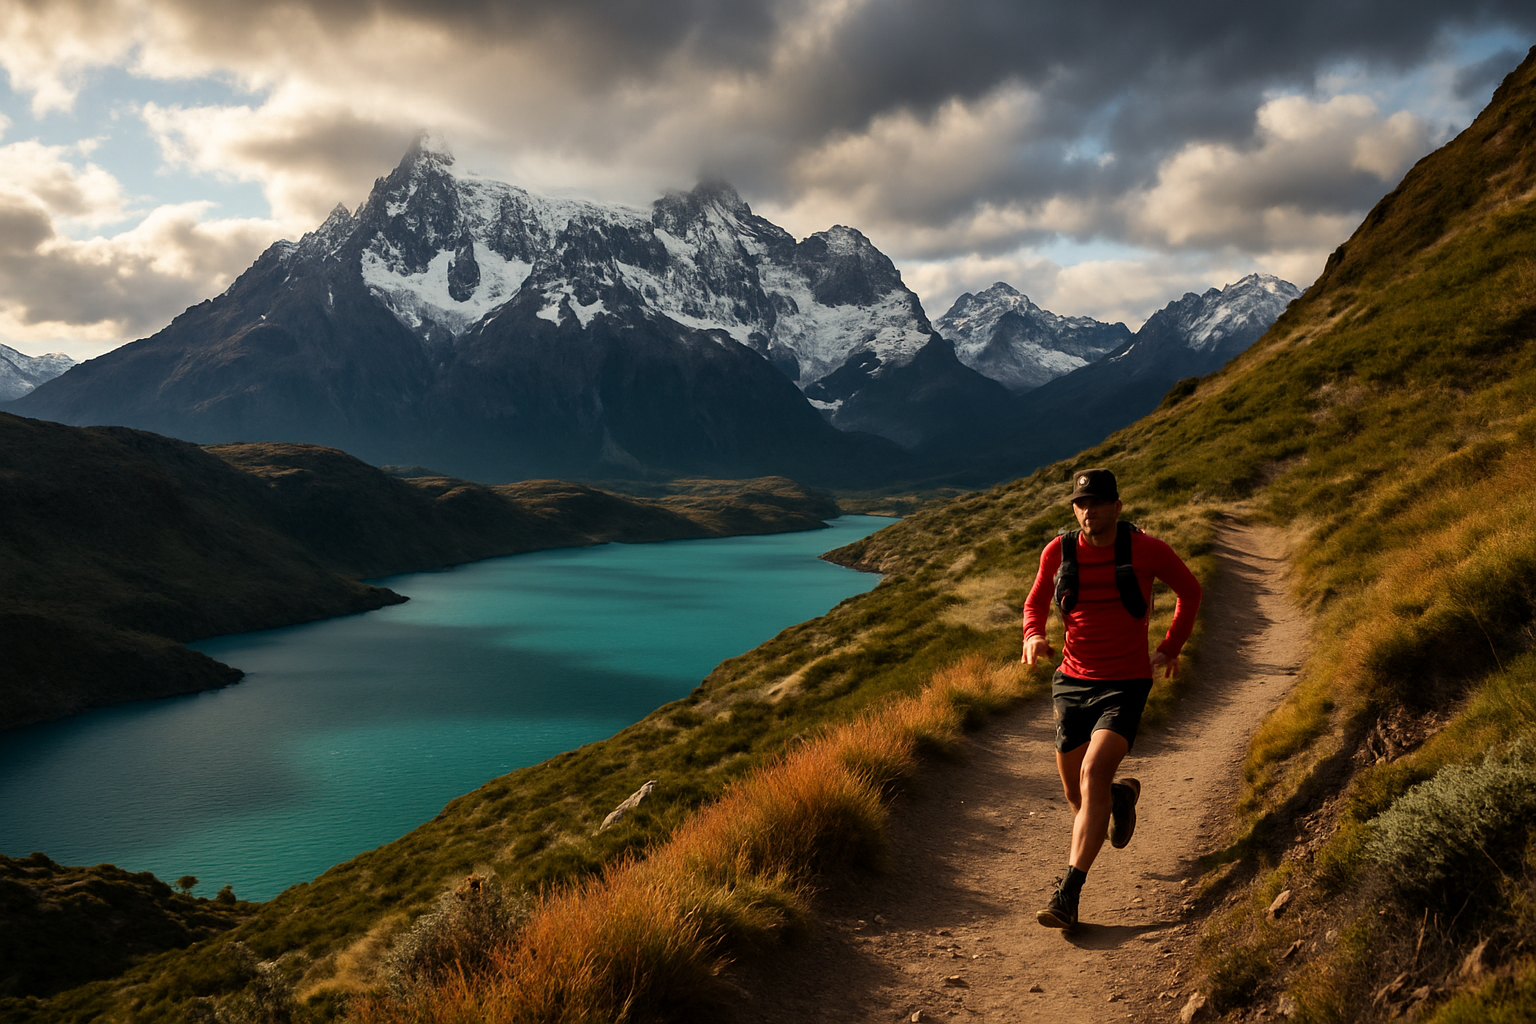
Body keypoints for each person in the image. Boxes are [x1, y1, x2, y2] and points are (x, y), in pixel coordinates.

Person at [1022, 468, 1202, 929]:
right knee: (1077, 795)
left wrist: (1170, 646)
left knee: (1092, 772)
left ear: (1117, 507)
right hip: (1071, 681)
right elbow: (1037, 599)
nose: (1089, 511)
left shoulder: (1147, 549)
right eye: (1082, 503)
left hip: (1125, 683)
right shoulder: (1058, 551)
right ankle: (1120, 797)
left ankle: (1068, 895)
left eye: (1099, 502)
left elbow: (1190, 590)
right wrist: (1033, 635)